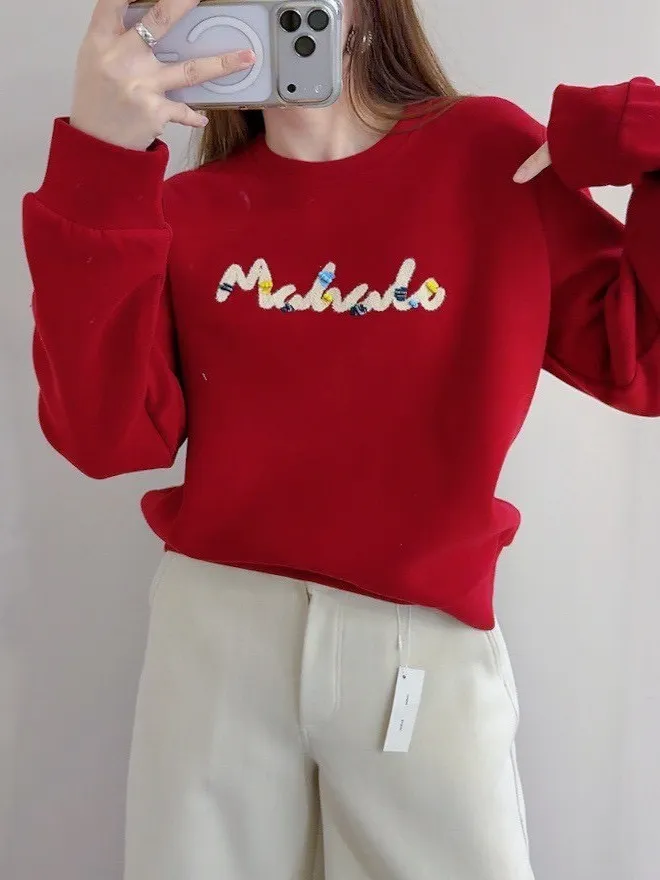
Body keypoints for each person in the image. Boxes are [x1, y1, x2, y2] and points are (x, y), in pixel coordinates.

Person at [21, 0, 660, 877]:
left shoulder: (490, 156)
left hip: (421, 653)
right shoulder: (182, 208)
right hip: (213, 641)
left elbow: (642, 359)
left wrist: (637, 128)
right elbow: (103, 438)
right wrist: (100, 160)